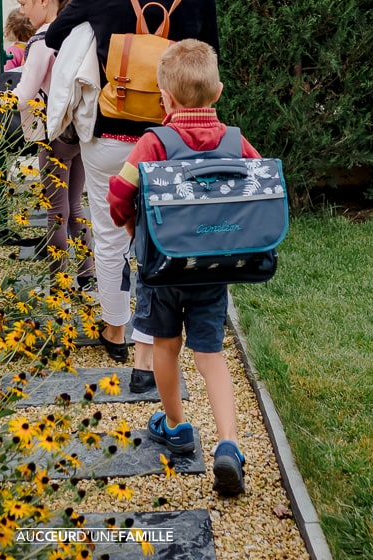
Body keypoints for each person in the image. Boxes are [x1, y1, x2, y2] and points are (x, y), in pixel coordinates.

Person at [45, 0, 217, 391]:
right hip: (173, 138)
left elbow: (55, 37)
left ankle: (115, 329)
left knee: (108, 231)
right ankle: (157, 335)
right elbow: (208, 67)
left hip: (110, 135)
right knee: (165, 235)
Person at [106, 39, 256, 497]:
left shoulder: (155, 142)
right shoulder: (235, 140)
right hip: (212, 268)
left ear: (165, 99)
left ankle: (177, 427)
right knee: (211, 356)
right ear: (219, 92)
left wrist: (131, 226)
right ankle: (229, 444)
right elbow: (258, 185)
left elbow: (118, 194)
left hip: (164, 269)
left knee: (166, 349)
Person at [0, 0, 94, 285]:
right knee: (75, 207)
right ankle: (87, 273)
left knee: (56, 211)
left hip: (53, 134)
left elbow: (22, 97)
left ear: (43, 0)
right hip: (79, 132)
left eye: (25, 4)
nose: (24, 13)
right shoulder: (76, 31)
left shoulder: (42, 40)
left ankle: (58, 282)